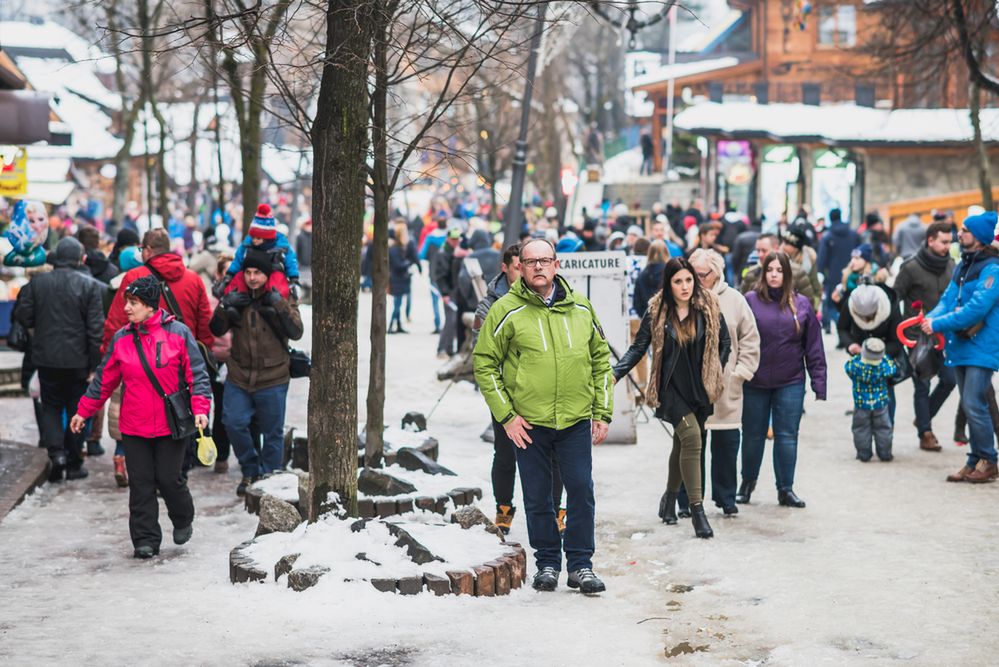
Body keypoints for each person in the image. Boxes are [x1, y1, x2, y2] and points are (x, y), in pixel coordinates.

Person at [473, 238, 613, 594]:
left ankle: (581, 565)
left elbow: (600, 360)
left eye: (544, 260)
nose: (538, 267)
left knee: (581, 491)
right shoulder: (505, 310)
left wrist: (602, 411)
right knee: (538, 497)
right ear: (518, 266)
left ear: (556, 265)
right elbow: (484, 364)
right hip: (529, 422)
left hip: (575, 419)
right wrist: (507, 416)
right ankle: (548, 562)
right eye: (530, 261)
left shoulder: (581, 308)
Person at [71, 276, 211, 559]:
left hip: (171, 424)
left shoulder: (179, 333)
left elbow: (197, 375)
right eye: (127, 302)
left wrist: (200, 408)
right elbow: (104, 381)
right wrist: (83, 411)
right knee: (141, 484)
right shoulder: (122, 339)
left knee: (170, 479)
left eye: (133, 303)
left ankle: (182, 517)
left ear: (149, 306)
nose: (127, 308)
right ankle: (145, 539)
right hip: (134, 426)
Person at [613, 257, 730, 538]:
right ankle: (697, 512)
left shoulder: (709, 305)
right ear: (669, 284)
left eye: (689, 280)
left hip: (700, 389)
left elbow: (724, 342)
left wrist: (716, 369)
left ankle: (668, 500)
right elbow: (639, 347)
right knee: (692, 439)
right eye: (678, 281)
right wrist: (615, 373)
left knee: (681, 444)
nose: (685, 286)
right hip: (670, 389)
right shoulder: (657, 311)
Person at [472, 244, 565, 534]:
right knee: (506, 452)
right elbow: (486, 353)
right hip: (507, 393)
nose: (528, 270)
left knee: (553, 455)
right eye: (520, 265)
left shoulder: (550, 299)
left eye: (539, 262)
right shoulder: (492, 306)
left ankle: (555, 509)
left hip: (544, 393)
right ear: (509, 268)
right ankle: (504, 508)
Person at [210, 249, 304, 496]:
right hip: (239, 375)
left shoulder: (282, 294)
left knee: (272, 433)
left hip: (273, 376)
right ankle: (250, 469)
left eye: (257, 273)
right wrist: (225, 306)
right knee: (233, 422)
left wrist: (278, 304)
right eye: (248, 272)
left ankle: (269, 481)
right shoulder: (236, 295)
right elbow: (216, 329)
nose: (252, 277)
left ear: (267, 274)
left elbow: (296, 331)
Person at [737, 252, 826, 508]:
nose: (774, 274)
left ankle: (785, 489)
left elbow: (814, 347)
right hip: (755, 379)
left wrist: (819, 382)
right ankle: (747, 484)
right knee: (752, 436)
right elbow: (737, 338)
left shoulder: (801, 304)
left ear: (788, 274)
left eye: (780, 270)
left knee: (787, 436)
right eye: (770, 269)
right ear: (763, 273)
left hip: (791, 381)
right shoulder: (750, 301)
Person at [16, 237, 104, 481]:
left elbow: (24, 315)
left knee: (52, 407)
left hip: (46, 358)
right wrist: (94, 366)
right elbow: (95, 330)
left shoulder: (38, 283)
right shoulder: (89, 286)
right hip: (78, 361)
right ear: (78, 258)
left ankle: (57, 455)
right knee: (77, 409)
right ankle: (74, 461)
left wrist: (39, 330)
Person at [923, 211, 999, 483]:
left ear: (978, 237)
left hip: (982, 346)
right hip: (961, 345)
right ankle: (974, 459)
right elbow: (947, 299)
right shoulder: (964, 265)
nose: (960, 233)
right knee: (970, 403)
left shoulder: (993, 269)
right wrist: (930, 318)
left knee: (973, 402)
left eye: (965, 230)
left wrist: (939, 324)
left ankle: (989, 460)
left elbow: (975, 308)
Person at [687, 249, 759, 515]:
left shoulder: (735, 300)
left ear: (715, 273)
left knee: (727, 445)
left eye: (701, 275)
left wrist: (740, 374)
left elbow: (750, 340)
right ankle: (690, 501)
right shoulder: (685, 298)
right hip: (691, 388)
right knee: (692, 445)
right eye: (692, 274)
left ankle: (726, 498)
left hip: (727, 387)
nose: (695, 279)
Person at [892, 221, 955, 450]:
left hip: (944, 333)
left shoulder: (951, 265)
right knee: (922, 384)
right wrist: (900, 329)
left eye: (950, 241)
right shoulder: (910, 267)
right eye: (944, 241)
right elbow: (894, 298)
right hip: (917, 337)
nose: (948, 246)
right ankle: (925, 433)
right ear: (930, 240)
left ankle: (923, 417)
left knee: (949, 380)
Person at [103, 228, 214, 354]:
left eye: (141, 249)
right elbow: (205, 324)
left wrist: (109, 356)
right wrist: (201, 353)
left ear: (148, 250)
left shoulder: (134, 277)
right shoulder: (194, 279)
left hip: (143, 361)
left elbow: (116, 322)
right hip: (184, 358)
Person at [837, 281, 904, 422]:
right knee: (861, 397)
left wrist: (876, 352)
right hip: (861, 361)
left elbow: (897, 341)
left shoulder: (890, 305)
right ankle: (864, 434)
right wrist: (850, 344)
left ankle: (887, 433)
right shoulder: (851, 302)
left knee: (888, 397)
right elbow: (842, 327)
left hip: (885, 358)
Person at [216, 204, 300, 299]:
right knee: (239, 279)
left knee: (277, 283)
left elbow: (290, 261)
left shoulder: (281, 245)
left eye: (258, 238)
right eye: (253, 237)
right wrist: (229, 276)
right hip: (250, 279)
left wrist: (294, 278)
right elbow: (238, 259)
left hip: (274, 274)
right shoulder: (247, 243)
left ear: (267, 237)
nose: (254, 240)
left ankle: (276, 300)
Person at [845, 337, 896, 462]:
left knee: (861, 429)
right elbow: (892, 367)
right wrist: (883, 357)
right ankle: (885, 453)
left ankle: (864, 454)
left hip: (861, 404)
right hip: (881, 404)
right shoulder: (884, 367)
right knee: (883, 429)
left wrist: (858, 354)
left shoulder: (856, 366)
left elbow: (848, 366)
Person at [817, 207, 860, 332]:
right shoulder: (853, 234)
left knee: (832, 305)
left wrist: (822, 273)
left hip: (833, 276)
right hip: (852, 274)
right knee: (850, 303)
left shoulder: (828, 236)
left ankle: (841, 328)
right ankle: (847, 329)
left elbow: (821, 260)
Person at [388, 223, 414, 334]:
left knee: (398, 304)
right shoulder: (395, 249)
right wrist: (408, 263)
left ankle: (398, 324)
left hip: (400, 280)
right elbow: (397, 265)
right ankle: (390, 326)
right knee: (397, 305)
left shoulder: (399, 248)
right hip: (397, 280)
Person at [633, 241, 670, 319]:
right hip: (668, 319)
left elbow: (636, 303)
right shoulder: (670, 273)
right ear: (666, 252)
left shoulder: (642, 275)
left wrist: (646, 318)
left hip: (648, 319)